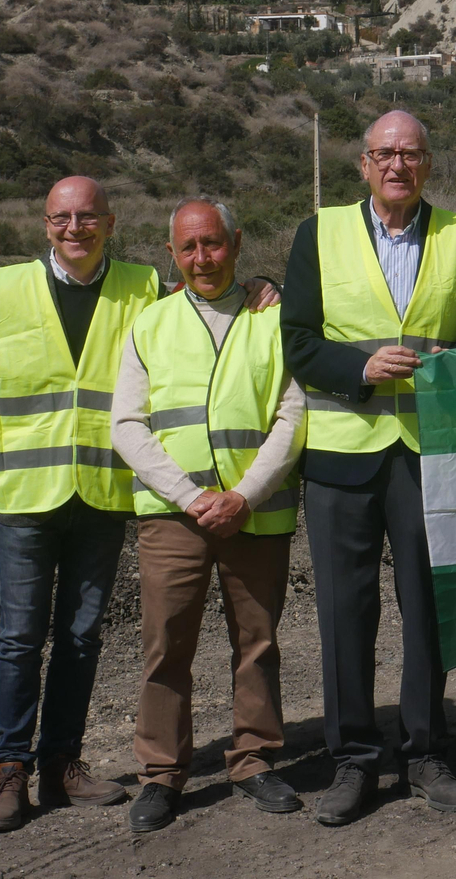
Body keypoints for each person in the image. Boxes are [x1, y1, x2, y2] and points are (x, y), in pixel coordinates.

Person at [0, 176, 276, 832]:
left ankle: (62, 763)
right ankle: (10, 769)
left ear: (110, 223)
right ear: (46, 224)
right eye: (62, 217)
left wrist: (265, 283)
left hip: (101, 492)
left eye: (87, 217)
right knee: (19, 636)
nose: (74, 228)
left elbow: (207, 289)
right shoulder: (8, 286)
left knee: (80, 636)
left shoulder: (142, 285)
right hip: (23, 492)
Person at [280, 110, 456, 826]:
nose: (398, 164)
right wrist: (360, 369)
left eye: (411, 153)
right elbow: (297, 340)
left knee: (428, 607)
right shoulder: (319, 233)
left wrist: (453, 365)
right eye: (385, 153)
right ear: (364, 164)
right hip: (342, 452)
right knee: (345, 612)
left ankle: (426, 751)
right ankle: (354, 759)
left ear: (429, 163)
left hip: (430, 452)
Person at [111, 199, 306, 833]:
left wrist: (245, 494)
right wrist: (190, 496)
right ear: (171, 253)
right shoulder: (150, 323)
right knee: (165, 644)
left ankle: (254, 760)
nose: (202, 258)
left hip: (257, 512)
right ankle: (162, 773)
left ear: (237, 242)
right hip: (173, 516)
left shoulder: (274, 318)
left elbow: (293, 415)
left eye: (213, 243)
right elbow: (127, 424)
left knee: (258, 642)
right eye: (189, 247)